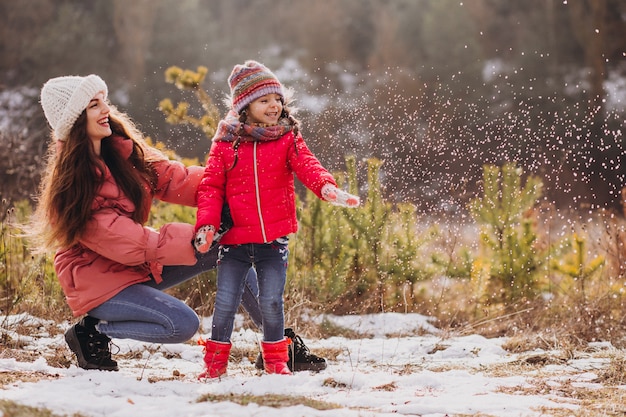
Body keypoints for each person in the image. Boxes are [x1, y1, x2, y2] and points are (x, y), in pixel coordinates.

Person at [32, 74, 326, 373]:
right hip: (100, 284)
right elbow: (128, 243)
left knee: (232, 244)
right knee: (181, 324)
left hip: (135, 266)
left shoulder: (121, 150)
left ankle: (280, 344)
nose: (106, 109)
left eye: (104, 101)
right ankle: (92, 331)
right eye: (94, 105)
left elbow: (175, 178)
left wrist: (232, 184)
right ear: (76, 121)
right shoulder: (73, 185)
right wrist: (200, 235)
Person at [193, 60, 360, 378]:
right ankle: (214, 367)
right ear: (245, 106)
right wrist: (207, 226)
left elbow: (308, 164)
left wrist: (327, 187)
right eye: (264, 100)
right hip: (234, 242)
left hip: (273, 240)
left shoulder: (287, 137)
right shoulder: (226, 144)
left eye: (277, 99)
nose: (274, 106)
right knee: (225, 304)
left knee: (271, 301)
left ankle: (276, 363)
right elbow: (211, 188)